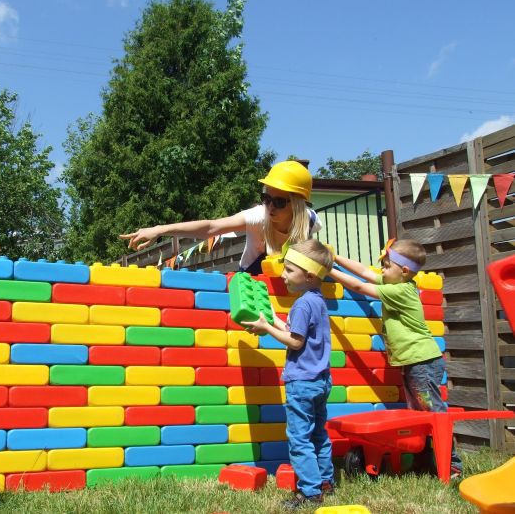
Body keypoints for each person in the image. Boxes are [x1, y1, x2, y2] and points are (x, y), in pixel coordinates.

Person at [328, 238, 463, 478]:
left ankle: (451, 464)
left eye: (386, 265)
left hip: (422, 361)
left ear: (404, 271)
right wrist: (335, 257)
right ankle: (425, 460)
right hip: (413, 362)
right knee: (419, 415)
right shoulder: (396, 281)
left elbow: (360, 287)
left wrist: (327, 270)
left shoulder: (400, 290)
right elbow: (363, 272)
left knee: (434, 413)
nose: (381, 269)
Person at [242, 239, 335, 509]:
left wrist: (267, 330)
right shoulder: (316, 301)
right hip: (320, 381)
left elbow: (295, 342)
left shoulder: (303, 304)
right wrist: (272, 319)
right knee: (319, 434)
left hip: (302, 382)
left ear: (308, 275)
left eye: (289, 270)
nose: (283, 275)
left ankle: (309, 493)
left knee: (299, 438)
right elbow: (296, 332)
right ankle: (325, 482)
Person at [119, 161, 321, 274]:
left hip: (288, 280)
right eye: (266, 198)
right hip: (252, 278)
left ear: (297, 204)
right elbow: (211, 227)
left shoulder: (310, 221)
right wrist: (160, 229)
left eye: (278, 202)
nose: (269, 207)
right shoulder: (259, 217)